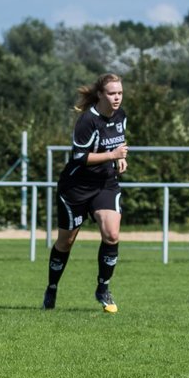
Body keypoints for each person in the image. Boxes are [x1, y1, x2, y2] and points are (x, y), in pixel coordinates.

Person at [42, 72, 128, 313]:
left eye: (120, 93)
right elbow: (79, 157)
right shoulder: (87, 121)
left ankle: (103, 287)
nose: (117, 98)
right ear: (100, 94)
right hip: (76, 188)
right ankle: (52, 287)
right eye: (112, 93)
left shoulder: (121, 116)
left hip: (105, 184)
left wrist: (120, 160)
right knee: (65, 242)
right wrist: (112, 155)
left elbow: (118, 143)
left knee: (111, 234)